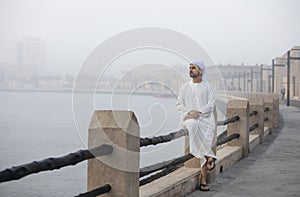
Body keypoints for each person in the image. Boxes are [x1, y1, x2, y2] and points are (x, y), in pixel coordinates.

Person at [176, 60, 217, 192]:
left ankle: (203, 179)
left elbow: (211, 105)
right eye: (190, 68)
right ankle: (209, 157)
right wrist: (189, 113)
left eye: (194, 68)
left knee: (201, 137)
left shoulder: (209, 87)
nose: (191, 70)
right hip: (188, 119)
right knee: (193, 125)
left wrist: (198, 113)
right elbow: (179, 104)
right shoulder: (184, 87)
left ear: (201, 71)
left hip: (205, 120)